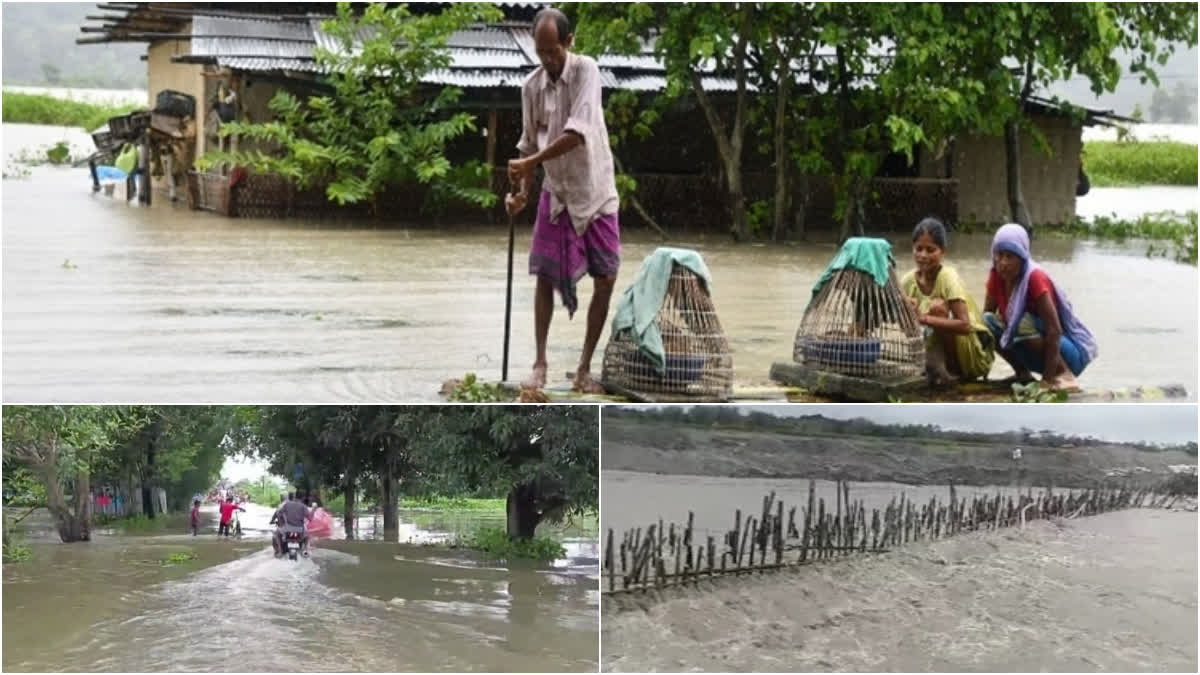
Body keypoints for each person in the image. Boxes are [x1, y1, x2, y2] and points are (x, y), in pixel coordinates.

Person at [507, 7, 621, 394]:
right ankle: (539, 363)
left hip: (595, 189)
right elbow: (526, 143)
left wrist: (531, 162)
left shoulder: (586, 71)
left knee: (606, 277)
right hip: (556, 192)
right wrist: (520, 192)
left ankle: (585, 368)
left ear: (568, 43)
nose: (548, 60)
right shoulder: (531, 88)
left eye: (553, 52)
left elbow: (577, 133)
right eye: (541, 53)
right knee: (543, 274)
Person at [983, 223, 1098, 391]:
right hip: (1035, 353)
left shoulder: (1034, 278)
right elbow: (987, 318)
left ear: (1022, 258)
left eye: (1010, 256)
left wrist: (1046, 380)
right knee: (986, 322)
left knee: (1021, 320)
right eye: (999, 255)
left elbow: (1054, 330)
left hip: (1065, 354)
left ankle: (1064, 375)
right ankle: (1022, 373)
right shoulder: (996, 275)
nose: (1003, 263)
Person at [900, 217, 995, 385]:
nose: (923, 255)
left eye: (930, 250)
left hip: (971, 355)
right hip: (934, 349)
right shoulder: (908, 280)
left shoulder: (948, 277)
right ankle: (928, 365)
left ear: (942, 252)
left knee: (937, 308)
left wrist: (923, 318)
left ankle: (953, 371)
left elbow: (965, 325)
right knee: (906, 308)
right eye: (919, 249)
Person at [273, 492, 311, 557]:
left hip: (287, 528)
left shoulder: (286, 504)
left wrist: (280, 522)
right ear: (302, 498)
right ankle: (305, 550)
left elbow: (278, 513)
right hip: (300, 529)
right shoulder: (303, 506)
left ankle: (280, 551)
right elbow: (309, 518)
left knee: (277, 534)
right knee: (307, 536)